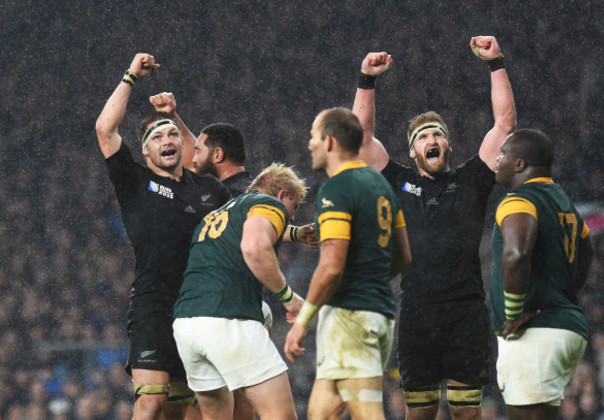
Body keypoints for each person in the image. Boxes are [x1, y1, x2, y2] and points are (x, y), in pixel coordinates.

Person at [351, 36, 516, 419]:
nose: (432, 139)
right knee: (420, 413)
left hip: (466, 312)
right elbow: (359, 139)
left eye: (438, 134)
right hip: (417, 313)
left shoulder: (472, 179)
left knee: (465, 413)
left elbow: (505, 124)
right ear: (412, 151)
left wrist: (496, 63)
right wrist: (366, 80)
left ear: (449, 145)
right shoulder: (399, 182)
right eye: (423, 136)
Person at [95, 53, 231, 420]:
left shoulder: (208, 190)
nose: (167, 140)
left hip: (199, 308)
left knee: (179, 408)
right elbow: (105, 129)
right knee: (151, 400)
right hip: (154, 304)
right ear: (145, 150)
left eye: (173, 134)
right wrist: (130, 77)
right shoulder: (135, 181)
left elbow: (245, 224)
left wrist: (295, 233)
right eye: (158, 136)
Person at [284, 107, 412, 419]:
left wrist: (302, 322)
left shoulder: (337, 188)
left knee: (368, 414)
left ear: (329, 141)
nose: (310, 145)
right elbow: (403, 255)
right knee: (320, 413)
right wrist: (369, 277)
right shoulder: (382, 186)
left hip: (351, 319)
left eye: (313, 138)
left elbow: (331, 266)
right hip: (374, 312)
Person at [173, 163, 308, 420]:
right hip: (228, 320)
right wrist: (289, 299)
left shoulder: (218, 215)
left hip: (187, 325)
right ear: (281, 194)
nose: (292, 217)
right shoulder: (270, 204)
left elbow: (255, 231)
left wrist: (298, 234)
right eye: (295, 206)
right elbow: (254, 247)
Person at [490, 129, 594, 420]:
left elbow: (516, 254)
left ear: (520, 164)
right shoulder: (562, 200)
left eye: (503, 154)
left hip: (535, 333)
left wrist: (513, 313)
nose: (498, 160)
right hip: (565, 327)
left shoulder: (519, 199)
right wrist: (563, 296)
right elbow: (588, 249)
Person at [150, 92, 318, 247]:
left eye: (198, 152)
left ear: (217, 155)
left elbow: (264, 222)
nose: (193, 159)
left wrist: (296, 232)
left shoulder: (241, 191)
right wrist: (170, 115)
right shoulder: (219, 185)